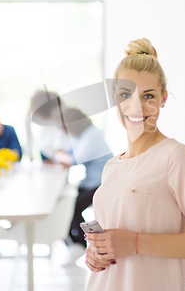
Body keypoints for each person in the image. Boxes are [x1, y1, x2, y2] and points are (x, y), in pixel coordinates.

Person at [85, 38, 185, 291]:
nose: (136, 106)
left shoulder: (176, 156)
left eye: (148, 96)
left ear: (163, 99)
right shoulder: (111, 167)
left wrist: (137, 243)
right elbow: (114, 238)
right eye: (125, 94)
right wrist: (95, 253)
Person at [28, 90, 113, 262]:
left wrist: (60, 156)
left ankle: (85, 245)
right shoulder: (81, 135)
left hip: (103, 183)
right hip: (91, 182)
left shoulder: (92, 135)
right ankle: (76, 245)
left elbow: (74, 158)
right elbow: (67, 153)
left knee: (72, 208)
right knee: (65, 205)